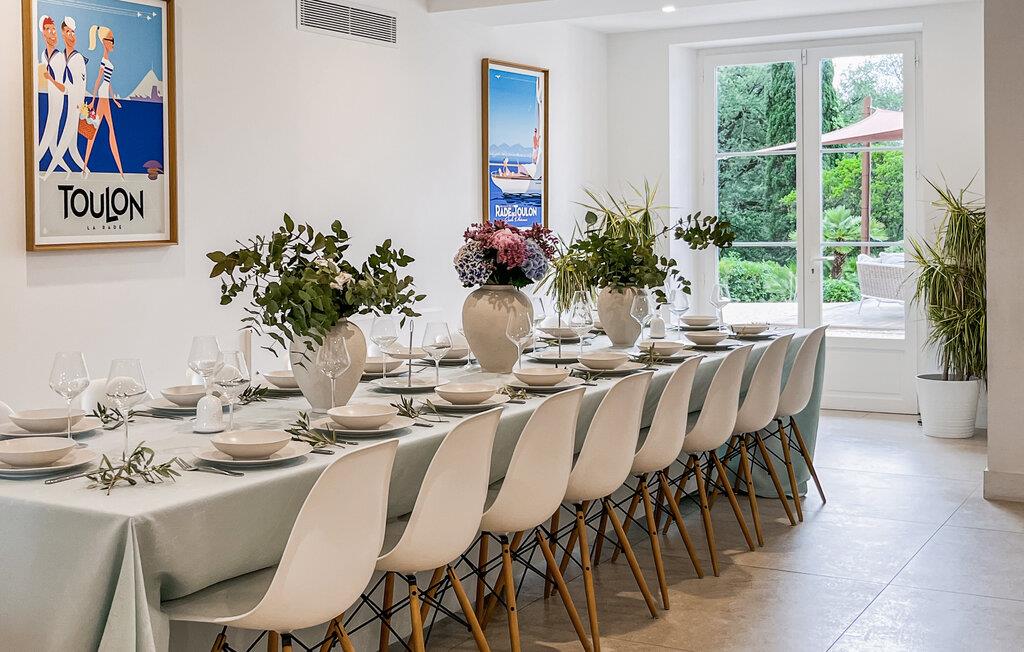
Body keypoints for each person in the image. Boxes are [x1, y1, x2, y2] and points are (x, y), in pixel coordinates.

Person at [43, 17, 89, 180]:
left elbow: (82, 85)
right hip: (70, 104)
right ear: (62, 34)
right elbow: (64, 87)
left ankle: (47, 175)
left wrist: (81, 107)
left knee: (63, 142)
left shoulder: (78, 58)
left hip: (76, 107)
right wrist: (51, 81)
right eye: (68, 32)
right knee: (72, 148)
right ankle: (87, 172)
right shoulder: (63, 58)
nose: (71, 35)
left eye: (73, 32)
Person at [84, 24, 124, 179]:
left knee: (100, 130)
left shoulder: (108, 60)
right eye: (111, 40)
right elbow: (98, 81)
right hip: (102, 96)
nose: (113, 43)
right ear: (104, 42)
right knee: (99, 131)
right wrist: (93, 101)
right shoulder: (103, 61)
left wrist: (114, 100)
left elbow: (109, 82)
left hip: (106, 96)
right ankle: (85, 167)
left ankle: (85, 167)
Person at [36, 15, 67, 170]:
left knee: (48, 134)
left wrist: (50, 79)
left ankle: (34, 165)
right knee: (53, 143)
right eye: (48, 29)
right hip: (49, 99)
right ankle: (67, 171)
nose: (53, 32)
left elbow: (63, 88)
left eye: (54, 29)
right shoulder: (43, 55)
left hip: (58, 100)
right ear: (43, 33)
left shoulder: (60, 58)